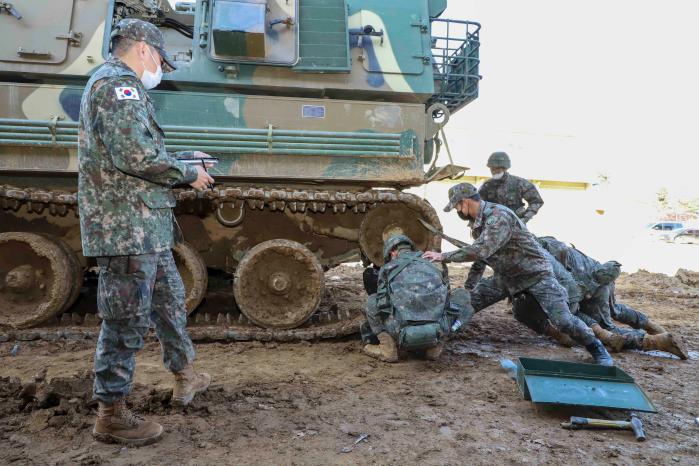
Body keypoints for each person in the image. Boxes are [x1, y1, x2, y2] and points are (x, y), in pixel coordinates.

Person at [78, 19, 214, 445]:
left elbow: (138, 150)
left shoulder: (117, 86)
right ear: (142, 50)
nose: (160, 68)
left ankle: (185, 374)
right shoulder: (118, 86)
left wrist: (185, 158)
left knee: (170, 301)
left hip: (145, 227)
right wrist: (187, 173)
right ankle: (111, 413)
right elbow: (137, 155)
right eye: (160, 58)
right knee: (125, 321)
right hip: (127, 231)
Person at [423, 183, 614, 365]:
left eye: (457, 206)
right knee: (469, 301)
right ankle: (436, 338)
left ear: (464, 202)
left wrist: (443, 256)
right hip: (507, 277)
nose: (457, 211)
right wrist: (471, 284)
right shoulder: (478, 222)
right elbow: (483, 256)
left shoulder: (498, 216)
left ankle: (596, 348)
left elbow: (480, 251)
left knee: (563, 319)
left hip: (535, 274)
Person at [537, 236, 688, 359]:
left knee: (602, 327)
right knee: (613, 310)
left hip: (588, 284)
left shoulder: (538, 256)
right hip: (599, 274)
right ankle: (653, 326)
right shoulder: (544, 243)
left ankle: (654, 342)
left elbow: (571, 310)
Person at [362, 229, 473, 362]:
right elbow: (447, 298)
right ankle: (437, 344)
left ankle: (388, 348)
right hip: (437, 329)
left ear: (392, 252)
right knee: (462, 295)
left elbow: (381, 303)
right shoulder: (434, 261)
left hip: (401, 332)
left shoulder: (387, 269)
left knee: (372, 301)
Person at [465, 151, 544, 290]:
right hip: (492, 228)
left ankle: (517, 297)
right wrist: (474, 224)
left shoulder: (519, 183)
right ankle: (469, 289)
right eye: (492, 168)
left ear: (505, 168)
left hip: (514, 229)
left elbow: (537, 201)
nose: (494, 171)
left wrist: (524, 219)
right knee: (480, 258)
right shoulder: (486, 186)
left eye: (498, 168)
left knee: (518, 262)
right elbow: (477, 206)